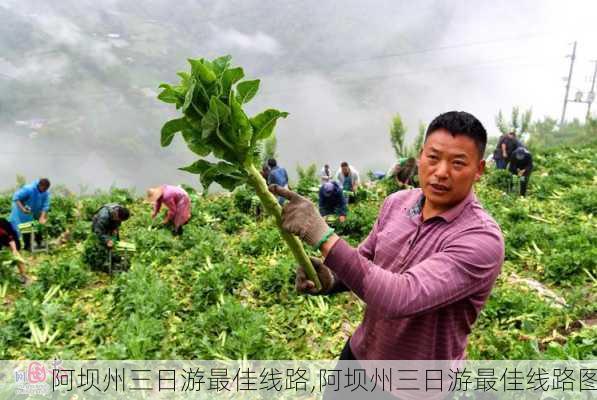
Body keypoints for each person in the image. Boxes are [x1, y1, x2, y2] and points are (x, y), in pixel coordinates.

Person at [269, 111, 504, 367]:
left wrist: (322, 235)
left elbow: (401, 297)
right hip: (359, 355)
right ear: (421, 155)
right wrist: (332, 279)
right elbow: (366, 259)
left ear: (479, 170)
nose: (441, 172)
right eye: (433, 158)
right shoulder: (396, 203)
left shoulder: (481, 239)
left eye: (458, 163)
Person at [83, 203, 130, 271]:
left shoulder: (120, 211)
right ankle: (100, 261)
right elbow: (98, 232)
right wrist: (107, 240)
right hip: (98, 225)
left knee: (114, 241)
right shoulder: (103, 217)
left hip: (110, 221)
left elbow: (117, 225)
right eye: (119, 219)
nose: (120, 222)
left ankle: (114, 255)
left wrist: (115, 233)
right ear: (116, 215)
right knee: (100, 242)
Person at [9, 178, 51, 250]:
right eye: (44, 189)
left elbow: (45, 205)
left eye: (46, 189)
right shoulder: (29, 189)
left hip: (34, 211)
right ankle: (25, 246)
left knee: (37, 226)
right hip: (21, 210)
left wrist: (42, 217)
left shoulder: (45, 192)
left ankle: (39, 244)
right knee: (24, 227)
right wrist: (23, 209)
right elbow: (16, 198)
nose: (45, 191)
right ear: (40, 185)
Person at [0, 218, 28, 284]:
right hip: (1, 239)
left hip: (11, 238)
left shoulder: (3, 223)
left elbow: (11, 239)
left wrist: (14, 250)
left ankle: (23, 275)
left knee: (17, 256)